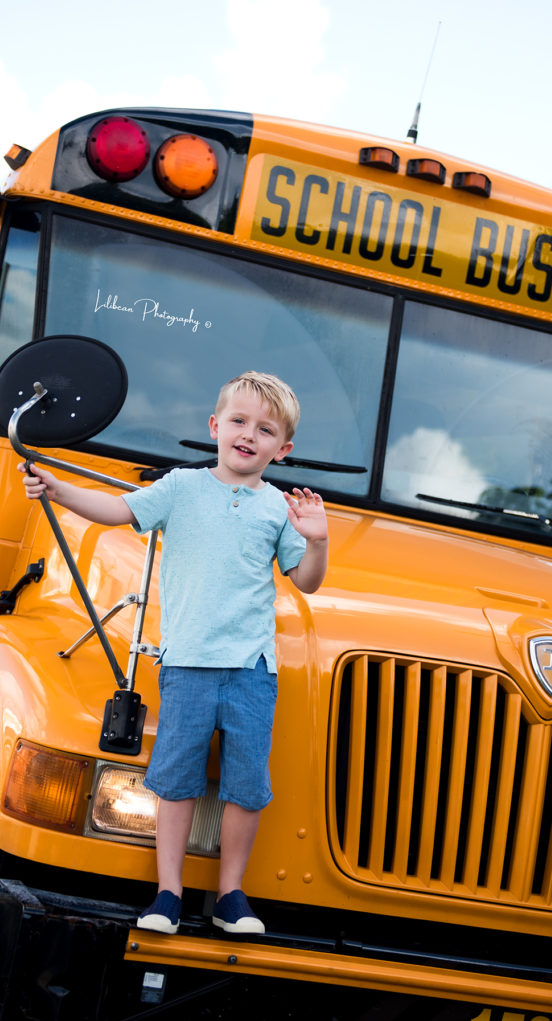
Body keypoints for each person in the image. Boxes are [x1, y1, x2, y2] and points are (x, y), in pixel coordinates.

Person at [20, 371, 328, 935]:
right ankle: (167, 892)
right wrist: (57, 489)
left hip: (251, 670)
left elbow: (306, 582)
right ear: (215, 426)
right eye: (238, 421)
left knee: (246, 784)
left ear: (281, 450)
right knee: (178, 777)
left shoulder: (280, 509)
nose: (248, 435)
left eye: (265, 430)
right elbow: (117, 510)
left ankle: (231, 895)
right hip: (186, 662)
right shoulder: (181, 487)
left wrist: (318, 539)